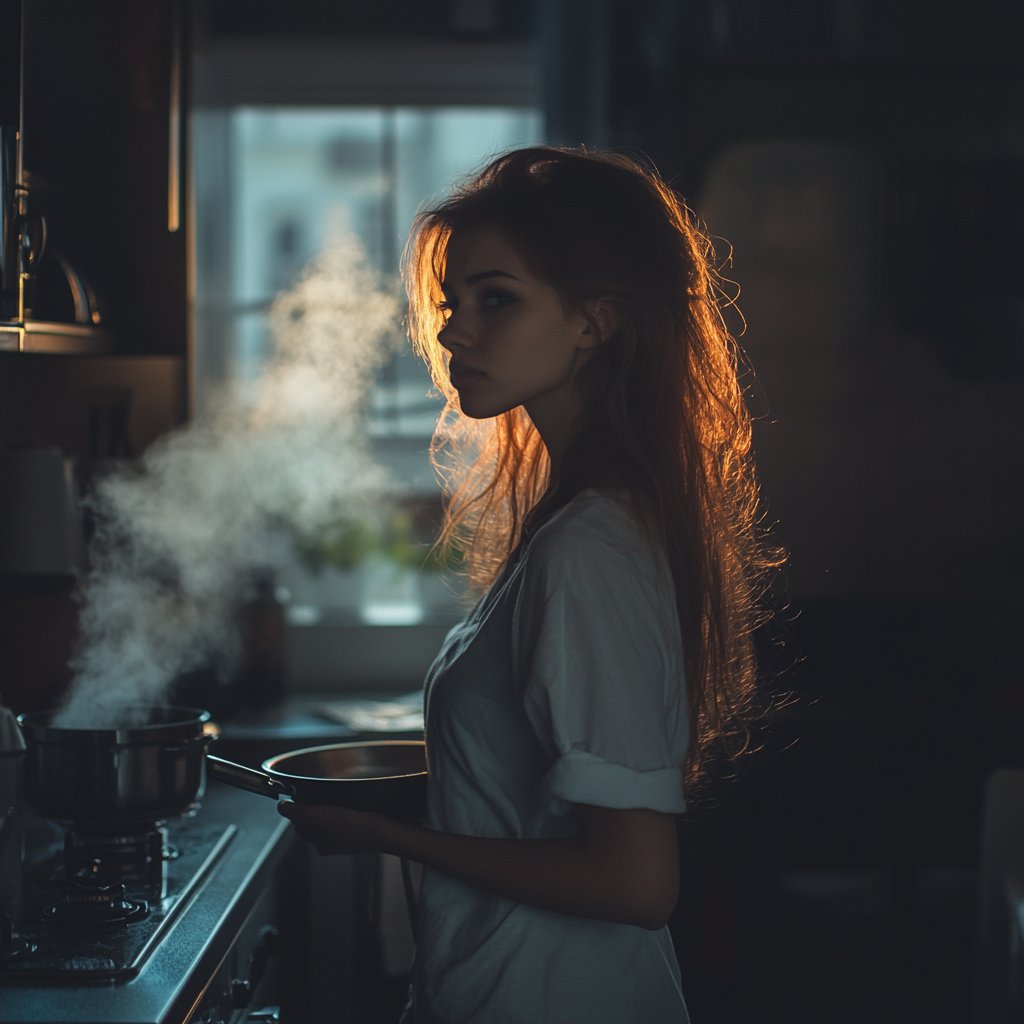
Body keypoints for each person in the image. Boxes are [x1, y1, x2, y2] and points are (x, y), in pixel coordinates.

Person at [279, 146, 780, 1023]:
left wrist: (386, 837)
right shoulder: (577, 515)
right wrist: (387, 802)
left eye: (495, 299)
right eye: (451, 302)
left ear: (594, 322)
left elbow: (635, 882)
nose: (452, 331)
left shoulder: (590, 549)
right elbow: (528, 803)